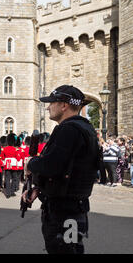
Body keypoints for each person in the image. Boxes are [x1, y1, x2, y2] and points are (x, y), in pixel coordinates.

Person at [24, 85, 100, 254]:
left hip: (64, 210)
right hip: (72, 206)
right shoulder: (85, 128)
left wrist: (31, 163)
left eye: (52, 102)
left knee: (64, 250)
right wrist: (39, 188)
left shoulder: (69, 129)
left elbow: (51, 166)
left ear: (64, 105)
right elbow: (66, 168)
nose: (48, 106)